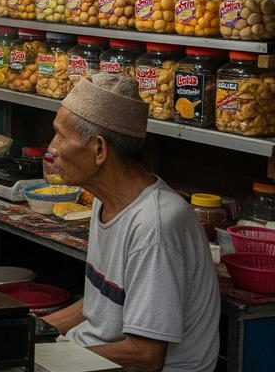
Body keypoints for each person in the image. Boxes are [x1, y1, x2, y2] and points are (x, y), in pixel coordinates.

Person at [42, 74, 219, 372]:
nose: (51, 149)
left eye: (61, 136)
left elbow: (145, 355)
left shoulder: (155, 225)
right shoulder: (105, 200)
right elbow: (97, 308)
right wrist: (32, 328)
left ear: (99, 150)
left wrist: (52, 360)